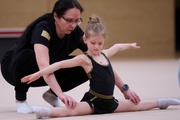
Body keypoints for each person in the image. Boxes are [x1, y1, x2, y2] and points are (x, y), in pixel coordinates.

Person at [21, 14, 180, 119]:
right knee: (72, 111)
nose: (96, 47)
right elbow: (59, 64)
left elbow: (117, 46)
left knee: (138, 106)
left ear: (103, 42)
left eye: (100, 43)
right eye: (92, 43)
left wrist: (129, 45)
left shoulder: (104, 54)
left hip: (111, 102)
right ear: (85, 40)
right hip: (93, 101)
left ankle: (162, 102)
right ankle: (45, 112)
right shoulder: (85, 59)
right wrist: (38, 74)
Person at [1, 0, 140, 114]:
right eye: (68, 20)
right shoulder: (43, 29)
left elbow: (100, 60)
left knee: (87, 63)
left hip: (44, 72)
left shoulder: (75, 33)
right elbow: (43, 65)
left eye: (77, 21)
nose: (73, 25)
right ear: (56, 16)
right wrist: (62, 95)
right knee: (26, 55)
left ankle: (50, 95)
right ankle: (20, 100)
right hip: (14, 70)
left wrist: (124, 88)